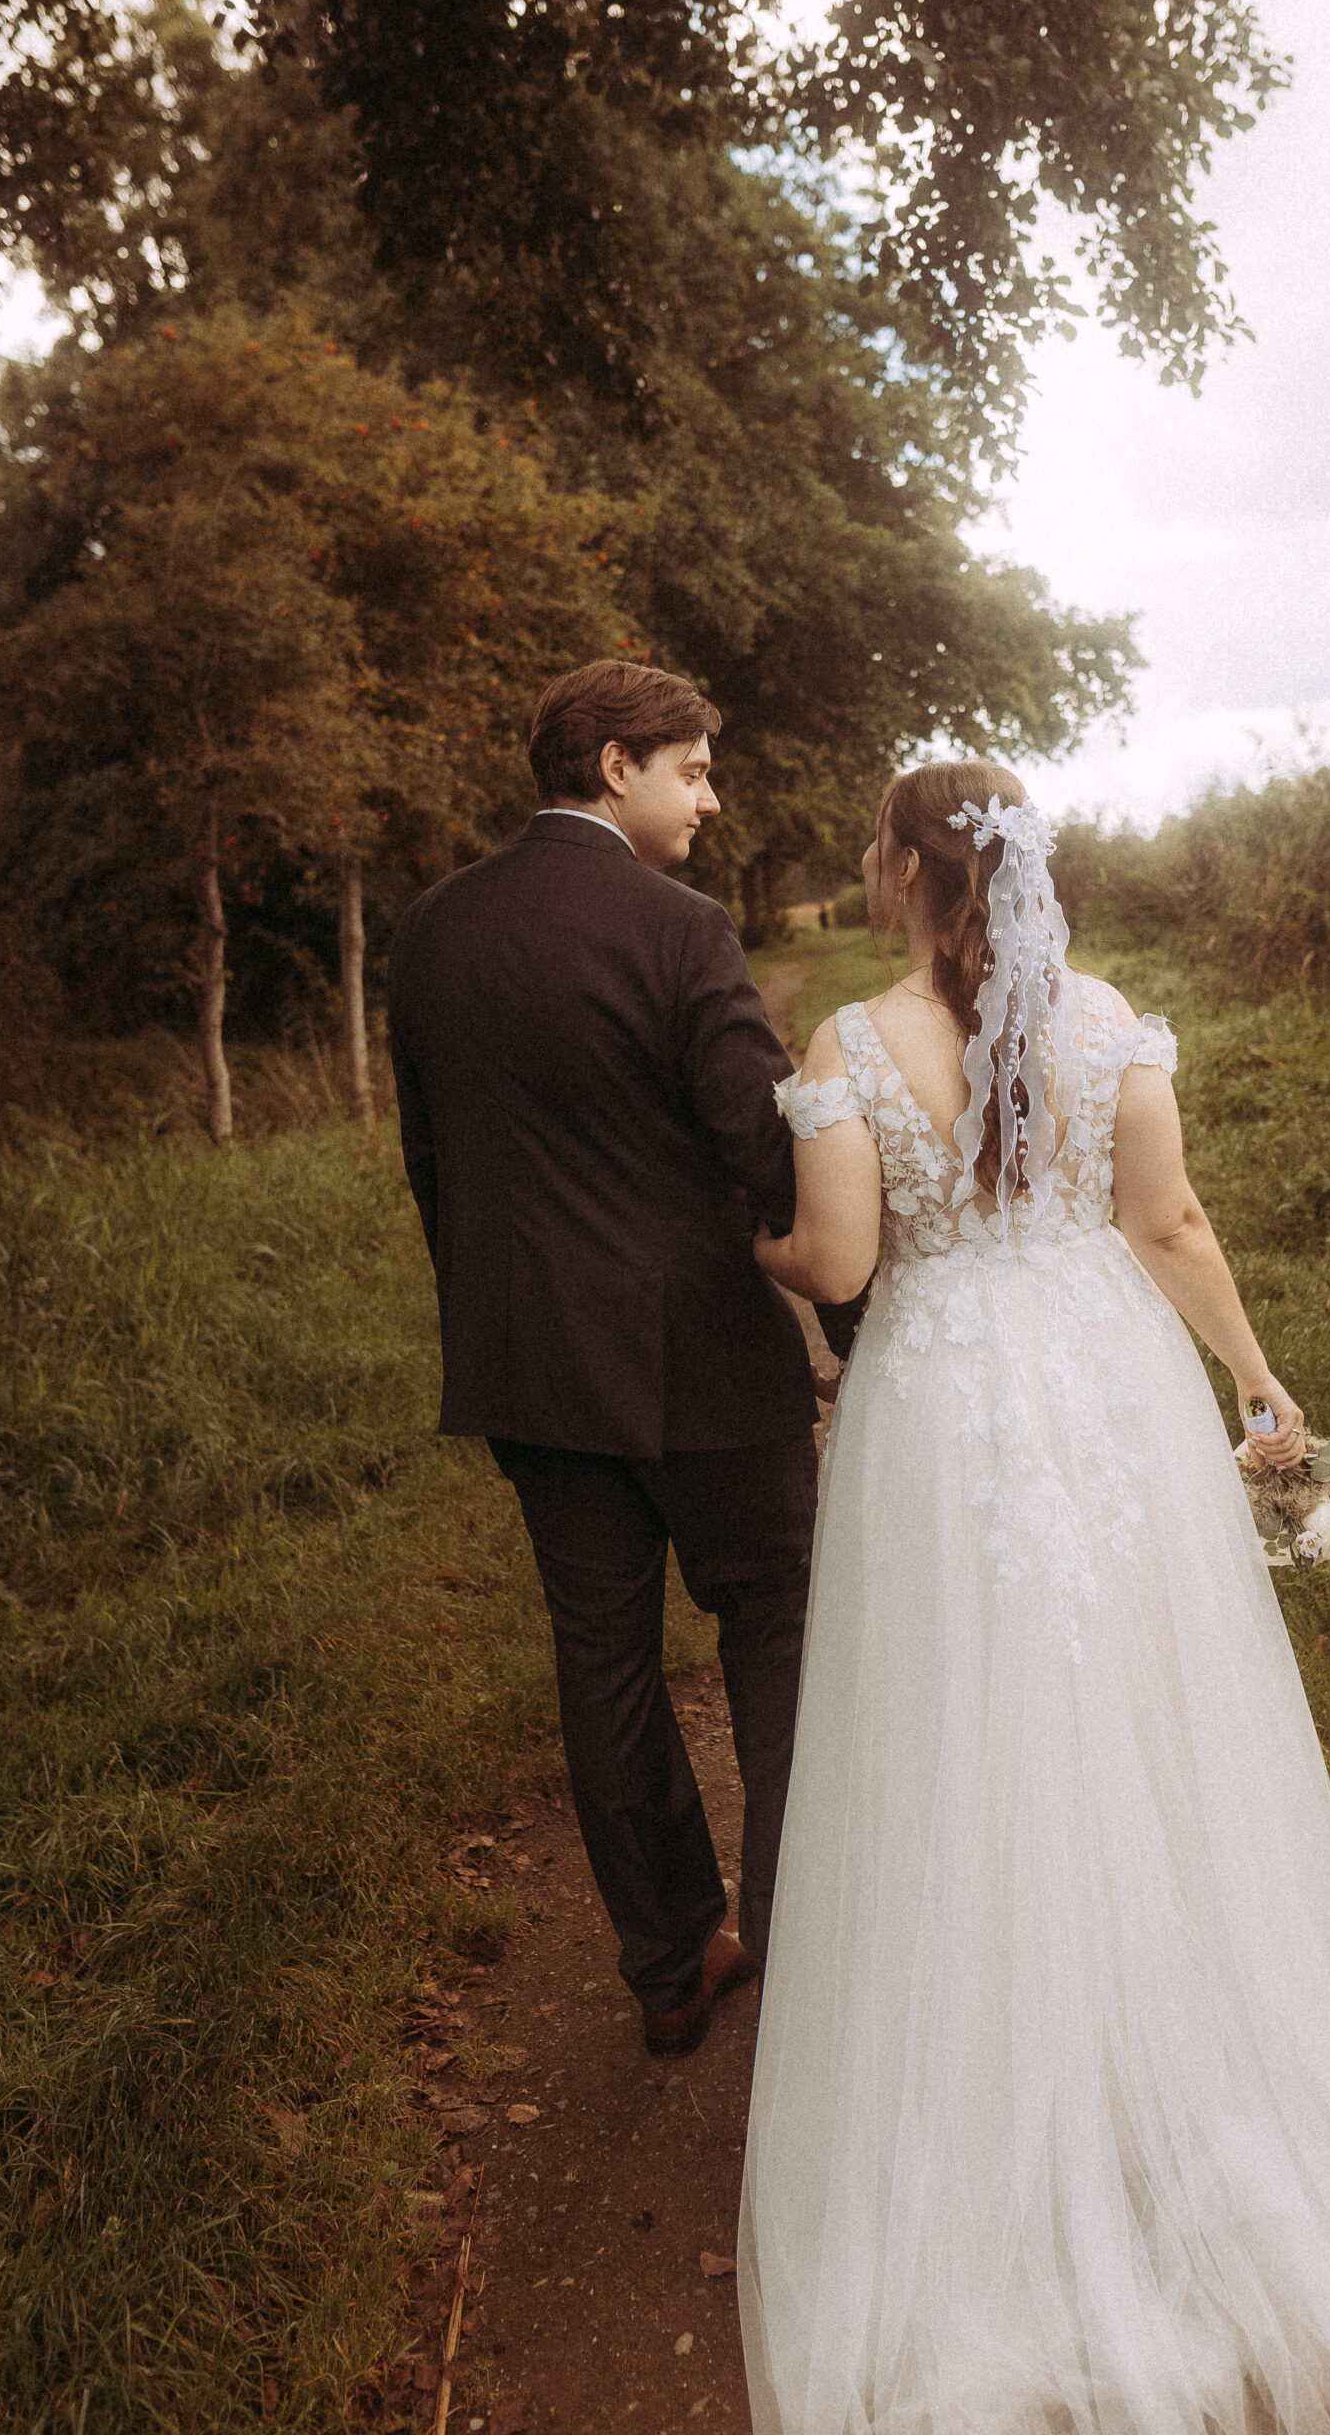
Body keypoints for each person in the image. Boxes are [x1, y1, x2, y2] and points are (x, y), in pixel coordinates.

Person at [738, 759, 1330, 2435]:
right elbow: (1168, 1218)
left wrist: (748, 1245)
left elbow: (835, 1268)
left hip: (946, 1409)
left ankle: (988, 2088)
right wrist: (1262, 1391)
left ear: (905, 872)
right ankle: (1174, 2069)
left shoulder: (842, 1049)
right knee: (1147, 1712)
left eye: (871, 845)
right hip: (1110, 1390)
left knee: (956, 1732)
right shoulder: (1108, 1021)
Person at [387, 659, 848, 2057]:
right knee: (774, 1636)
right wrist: (842, 1305)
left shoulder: (429, 932)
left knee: (604, 1666)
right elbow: (757, 1149)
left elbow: (433, 1163)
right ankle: (797, 1945)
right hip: (704, 1365)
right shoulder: (679, 929)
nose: (710, 797)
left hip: (529, 1366)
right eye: (694, 768)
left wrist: (490, 1314)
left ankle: (665, 1966)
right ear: (612, 767)